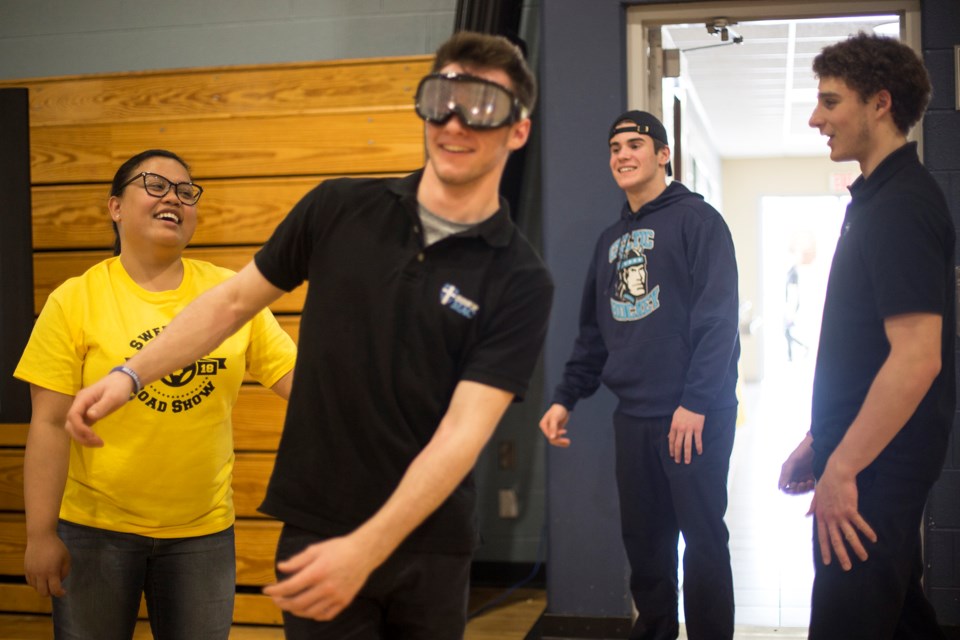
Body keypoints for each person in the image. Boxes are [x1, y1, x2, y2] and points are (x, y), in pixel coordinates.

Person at [63, 31, 553, 640]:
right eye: (442, 99)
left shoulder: (521, 277)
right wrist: (128, 375)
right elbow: (232, 303)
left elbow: (462, 434)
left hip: (429, 544)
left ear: (518, 130)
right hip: (317, 522)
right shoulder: (339, 208)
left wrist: (366, 549)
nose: (455, 121)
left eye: (483, 107)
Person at [15, 149, 297, 639]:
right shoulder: (75, 298)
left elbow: (303, 385)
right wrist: (40, 534)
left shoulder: (229, 295)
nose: (174, 197)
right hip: (94, 530)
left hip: (203, 533)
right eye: (155, 184)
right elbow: (47, 423)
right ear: (115, 207)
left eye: (186, 191)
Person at [778, 33, 954, 639]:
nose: (815, 117)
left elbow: (916, 359)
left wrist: (842, 469)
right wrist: (819, 438)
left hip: (875, 468)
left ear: (880, 103)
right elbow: (863, 348)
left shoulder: (903, 205)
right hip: (863, 453)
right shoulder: (875, 199)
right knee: (901, 619)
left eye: (830, 101)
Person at [540, 110, 740, 639]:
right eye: (614, 148)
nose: (622, 155)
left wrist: (695, 403)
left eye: (635, 144)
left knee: (701, 542)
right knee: (645, 546)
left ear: (663, 155)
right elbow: (594, 334)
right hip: (635, 418)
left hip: (693, 416)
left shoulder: (699, 222)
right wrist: (565, 399)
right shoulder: (611, 240)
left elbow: (718, 322)